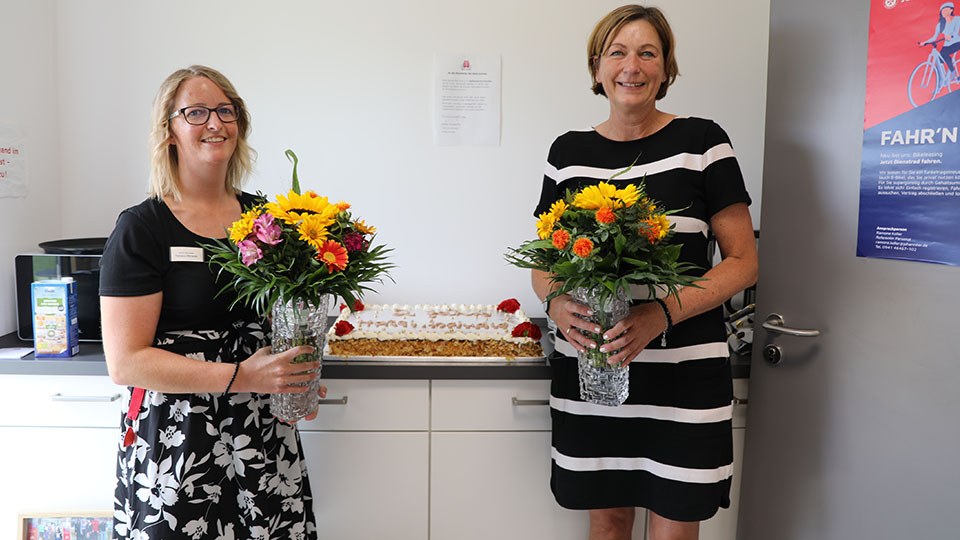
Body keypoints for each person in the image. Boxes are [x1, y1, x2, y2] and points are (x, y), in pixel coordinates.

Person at [531, 6, 758, 540]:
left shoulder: (704, 143)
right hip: (593, 366)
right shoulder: (568, 154)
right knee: (607, 523)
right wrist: (556, 305)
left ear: (665, 68)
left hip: (683, 376)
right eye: (617, 51)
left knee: (675, 525)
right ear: (596, 68)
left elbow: (744, 261)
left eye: (647, 52)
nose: (631, 65)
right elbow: (545, 264)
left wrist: (659, 315)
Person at [100, 65, 325, 539]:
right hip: (177, 439)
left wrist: (296, 376)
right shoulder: (143, 227)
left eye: (226, 111)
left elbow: (283, 319)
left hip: (260, 430)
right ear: (170, 132)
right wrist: (244, 375)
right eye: (196, 112)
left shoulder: (267, 217)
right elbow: (126, 363)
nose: (215, 123)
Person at [920, 2, 960, 80]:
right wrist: (925, 42)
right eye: (942, 10)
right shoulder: (940, 25)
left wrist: (951, 36)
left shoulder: (957, 19)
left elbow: (955, 32)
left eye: (945, 10)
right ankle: (941, 80)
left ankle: (953, 72)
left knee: (944, 54)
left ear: (951, 10)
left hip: (957, 42)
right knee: (938, 60)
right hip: (946, 45)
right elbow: (934, 37)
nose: (943, 12)